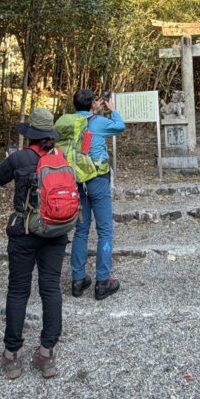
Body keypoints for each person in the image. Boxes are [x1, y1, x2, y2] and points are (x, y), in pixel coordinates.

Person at [0, 108, 66, 379]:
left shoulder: (19, 158)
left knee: (18, 290)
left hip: (24, 231)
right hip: (56, 231)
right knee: (51, 288)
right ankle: (46, 354)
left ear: (31, 133)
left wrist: (10, 161)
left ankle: (12, 356)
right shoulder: (61, 158)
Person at [67, 88, 125, 300]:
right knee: (105, 230)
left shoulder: (70, 122)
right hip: (98, 180)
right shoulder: (99, 122)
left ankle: (78, 280)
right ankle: (103, 281)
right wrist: (112, 109)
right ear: (93, 103)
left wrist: (93, 110)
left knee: (81, 230)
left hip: (77, 180)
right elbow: (120, 126)